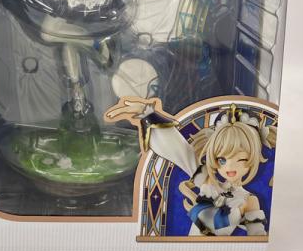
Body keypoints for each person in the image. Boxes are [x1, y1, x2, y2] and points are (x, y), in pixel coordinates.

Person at [105, 98, 277, 236]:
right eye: (222, 160)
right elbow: (180, 150)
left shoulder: (248, 200)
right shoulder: (209, 183)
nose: (230, 166)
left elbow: (257, 240)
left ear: (253, 158)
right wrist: (147, 113)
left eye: (241, 159)